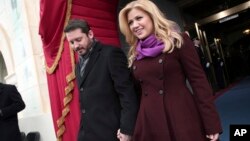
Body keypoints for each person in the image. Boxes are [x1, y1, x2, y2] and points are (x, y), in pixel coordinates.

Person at [118, 0, 222, 141]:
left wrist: (211, 123)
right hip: (149, 122)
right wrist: (128, 127)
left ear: (152, 16)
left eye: (139, 18)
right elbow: (135, 96)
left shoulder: (178, 41)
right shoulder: (135, 54)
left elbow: (199, 82)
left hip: (181, 117)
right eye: (130, 22)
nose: (135, 25)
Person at [64, 19, 138, 141]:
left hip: (112, 134)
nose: (75, 46)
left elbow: (127, 94)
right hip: (87, 134)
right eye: (71, 42)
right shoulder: (78, 65)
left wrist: (127, 129)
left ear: (90, 34)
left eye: (78, 39)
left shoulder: (111, 54)